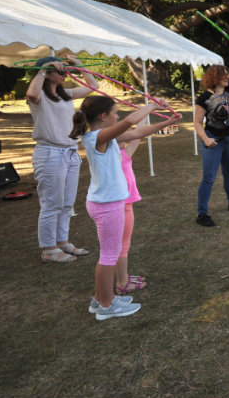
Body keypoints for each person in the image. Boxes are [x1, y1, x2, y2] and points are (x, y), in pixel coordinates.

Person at [70, 95, 174, 320]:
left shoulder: (103, 136)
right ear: (104, 117)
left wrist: (167, 122)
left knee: (108, 254)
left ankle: (100, 299)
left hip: (106, 202)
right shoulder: (99, 136)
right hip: (107, 205)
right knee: (108, 256)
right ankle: (107, 305)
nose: (118, 116)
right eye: (115, 112)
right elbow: (129, 123)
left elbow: (137, 133)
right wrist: (153, 105)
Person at [26, 55, 99, 263]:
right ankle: (49, 249)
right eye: (60, 70)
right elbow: (31, 93)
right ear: (48, 74)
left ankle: (62, 241)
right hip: (49, 153)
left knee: (67, 203)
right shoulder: (38, 94)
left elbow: (92, 86)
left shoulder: (65, 94)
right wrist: (44, 68)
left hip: (69, 152)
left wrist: (79, 65)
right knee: (52, 203)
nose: (65, 73)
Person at [114, 111, 180, 295]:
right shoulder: (110, 156)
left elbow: (137, 134)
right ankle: (122, 282)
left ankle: (123, 276)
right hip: (119, 205)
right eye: (120, 136)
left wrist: (145, 112)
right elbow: (133, 133)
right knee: (121, 245)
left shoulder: (123, 154)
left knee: (124, 244)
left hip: (126, 204)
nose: (125, 137)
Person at [193, 53, 229, 227]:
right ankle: (201, 214)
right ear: (216, 77)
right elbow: (196, 122)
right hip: (214, 141)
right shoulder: (204, 98)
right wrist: (205, 139)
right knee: (209, 178)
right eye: (225, 74)